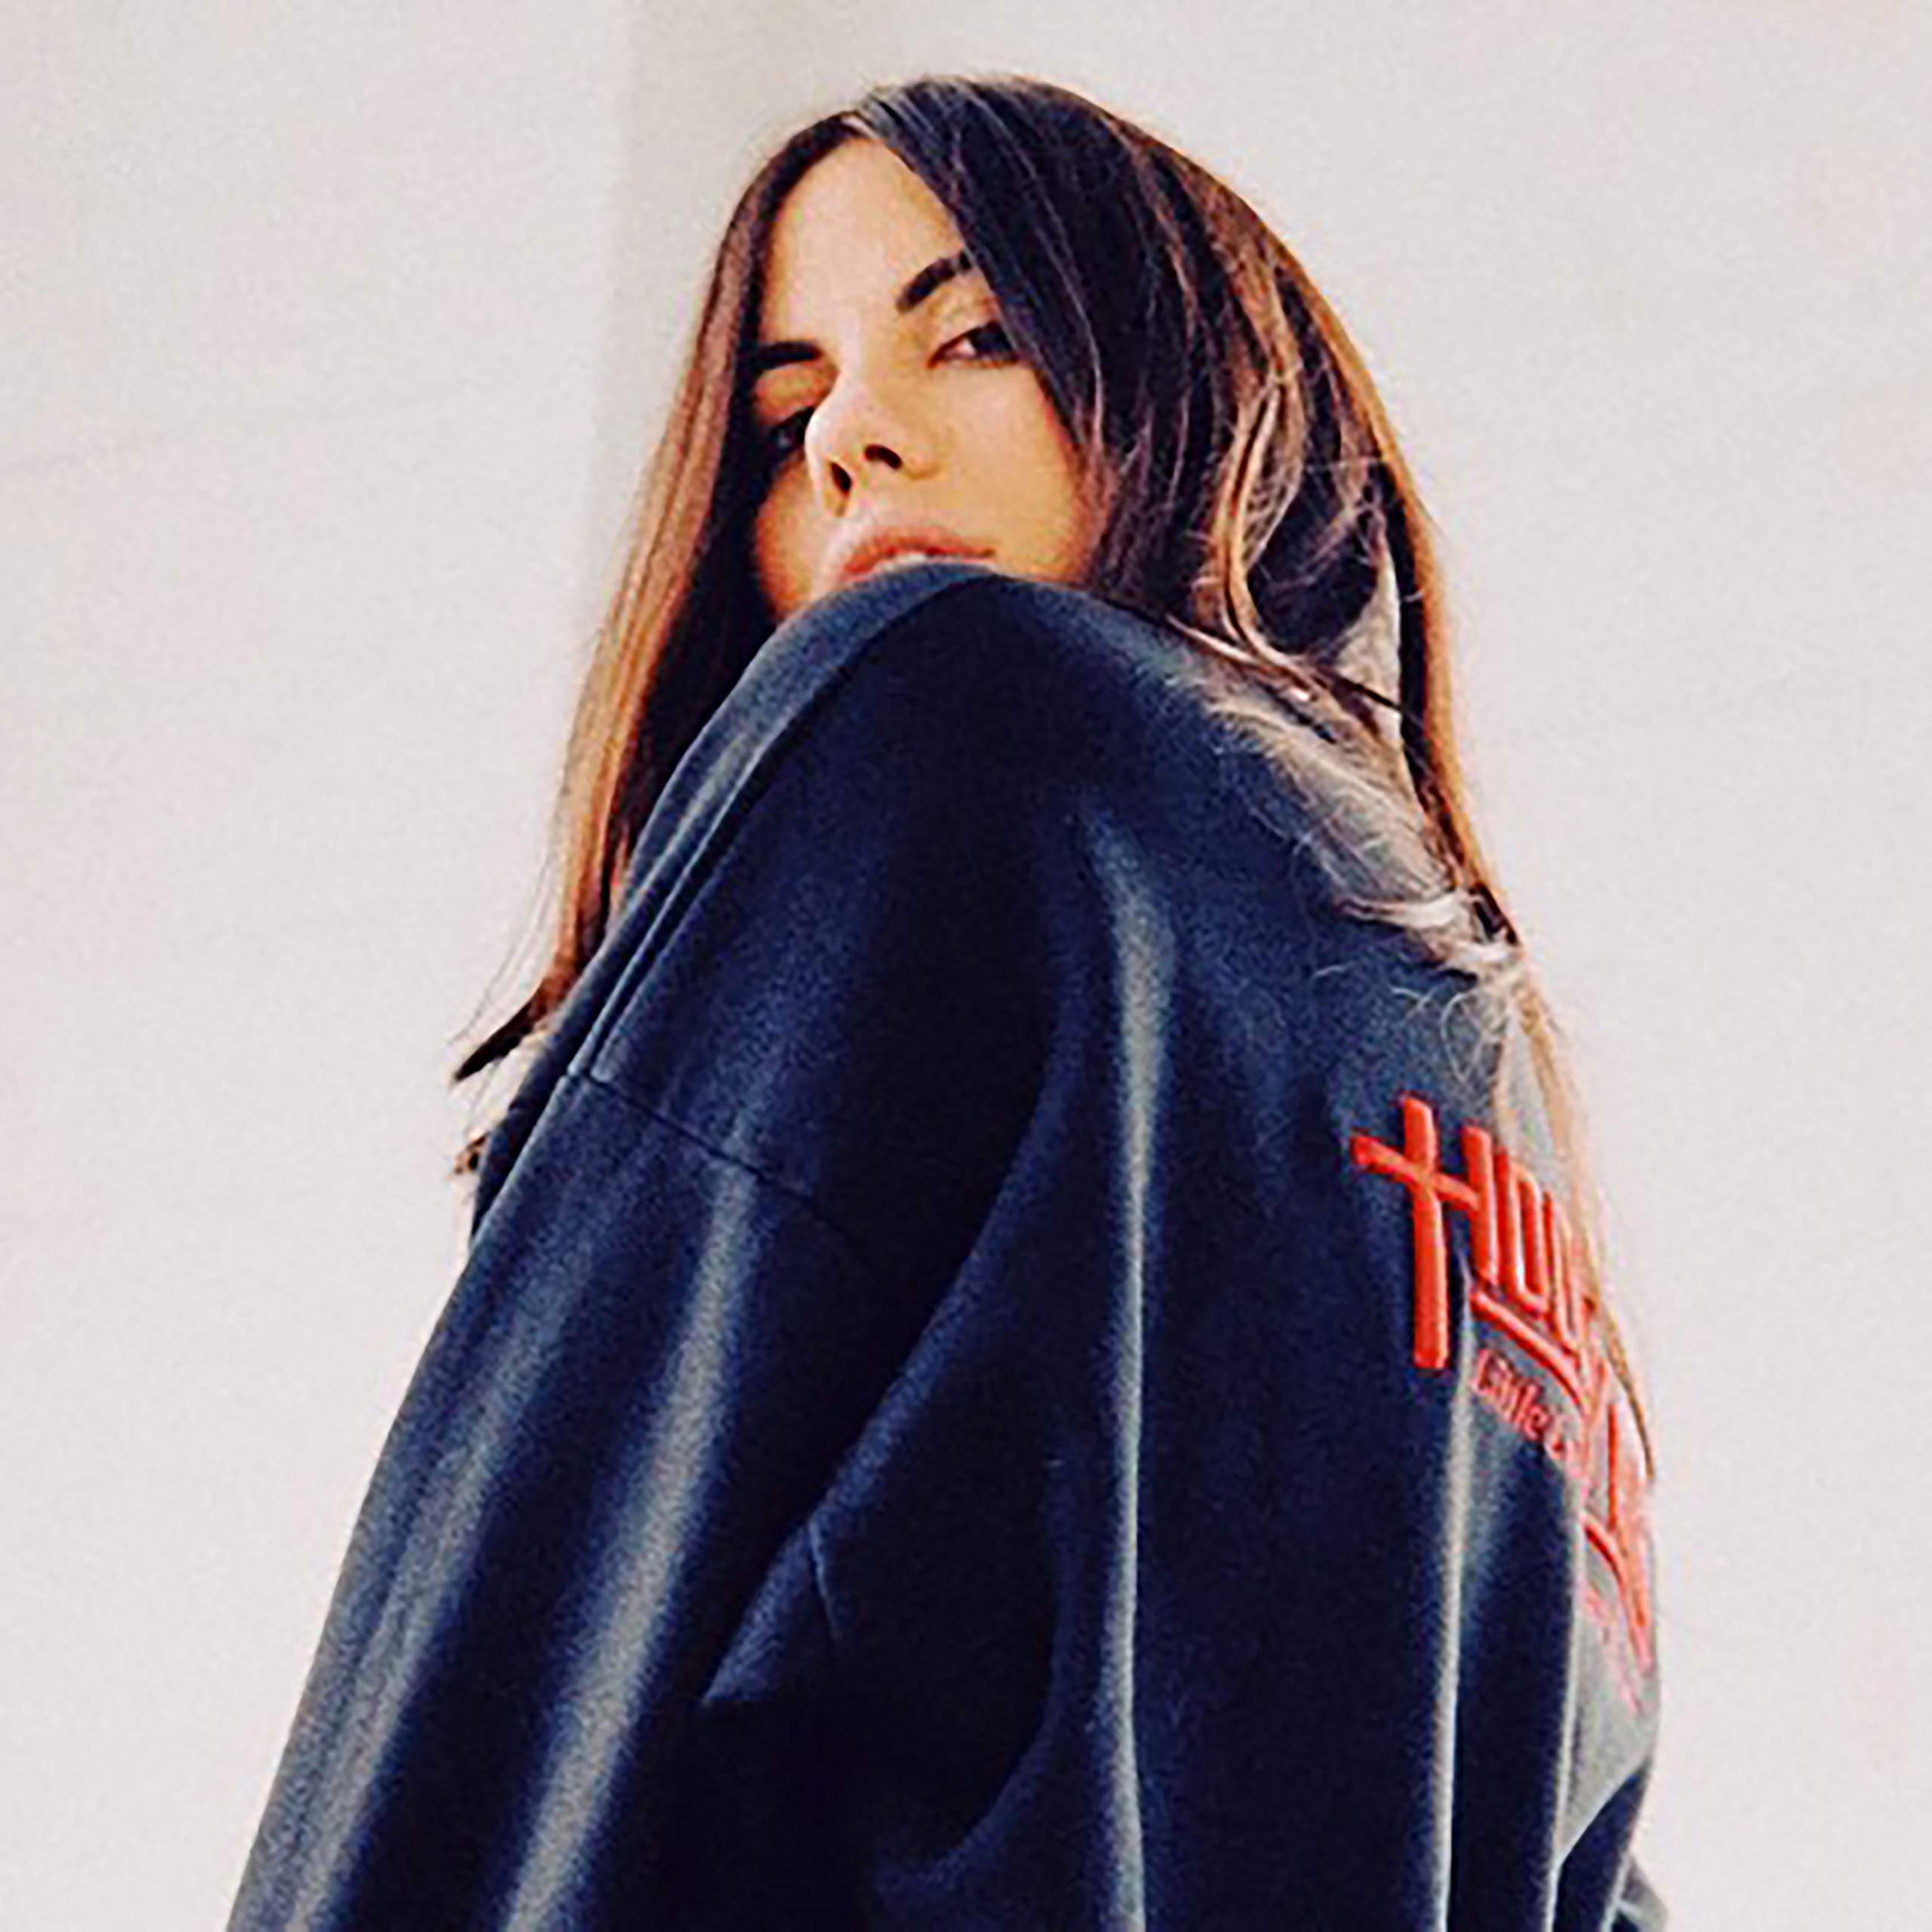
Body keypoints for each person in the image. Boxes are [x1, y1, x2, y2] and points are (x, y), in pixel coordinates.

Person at [228, 73, 1665, 1930]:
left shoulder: (941, 703)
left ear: (1201, 386)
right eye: (783, 412)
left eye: (974, 336)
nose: (851, 437)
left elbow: (537, 1610)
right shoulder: (1496, 1103)